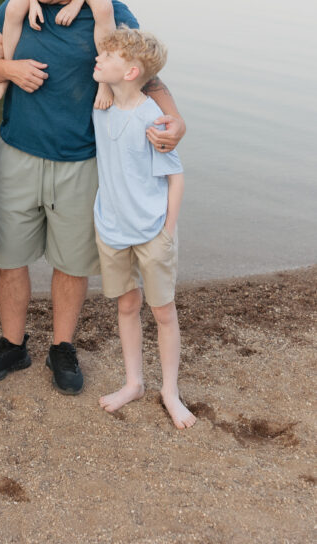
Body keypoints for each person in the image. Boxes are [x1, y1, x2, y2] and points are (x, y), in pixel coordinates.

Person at [0, 0, 185, 395]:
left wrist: (176, 120)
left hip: (83, 162)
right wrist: (9, 68)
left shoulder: (111, 13)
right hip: (17, 153)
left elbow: (146, 76)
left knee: (71, 262)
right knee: (8, 258)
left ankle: (62, 347)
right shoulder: (18, 4)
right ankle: (12, 344)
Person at [92, 27, 196, 429]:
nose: (98, 58)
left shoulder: (153, 119)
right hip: (112, 229)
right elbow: (103, 76)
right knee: (126, 305)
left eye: (108, 56)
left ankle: (170, 391)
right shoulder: (101, 106)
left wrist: (167, 231)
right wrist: (103, 83)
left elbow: (176, 177)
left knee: (163, 311)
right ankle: (134, 382)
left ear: (131, 71)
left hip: (153, 232)